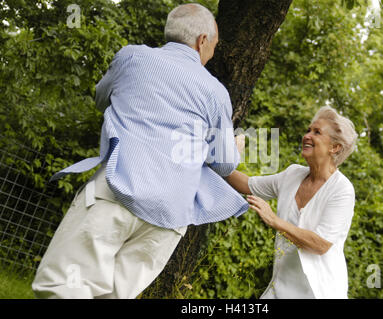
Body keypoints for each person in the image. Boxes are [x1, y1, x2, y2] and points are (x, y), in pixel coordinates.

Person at [32, 3, 248, 299]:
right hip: (168, 218)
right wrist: (234, 147)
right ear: (202, 41)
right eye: (213, 45)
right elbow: (224, 165)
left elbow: (101, 98)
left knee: (64, 287)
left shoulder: (131, 57)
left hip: (117, 192)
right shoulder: (215, 92)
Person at [226, 106, 358, 299]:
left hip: (319, 292)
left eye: (317, 132)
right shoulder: (293, 174)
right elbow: (247, 184)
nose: (307, 135)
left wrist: (274, 220)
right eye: (308, 130)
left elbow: (321, 244)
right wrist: (219, 162)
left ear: (335, 147)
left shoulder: (342, 190)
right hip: (280, 287)